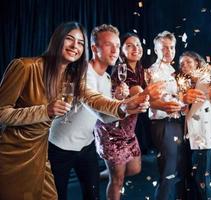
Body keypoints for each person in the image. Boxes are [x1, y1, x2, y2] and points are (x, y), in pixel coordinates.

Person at [0, 21, 158, 200]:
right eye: (69, 39)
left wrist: (125, 105)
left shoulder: (87, 77)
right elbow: (2, 113)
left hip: (73, 147)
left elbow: (96, 104)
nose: (75, 46)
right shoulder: (28, 67)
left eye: (79, 42)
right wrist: (45, 111)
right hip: (40, 149)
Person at [47, 24, 127, 200]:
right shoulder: (80, 73)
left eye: (118, 45)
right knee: (57, 196)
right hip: (60, 147)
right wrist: (129, 104)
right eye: (108, 44)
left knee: (93, 195)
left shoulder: (107, 79)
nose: (115, 50)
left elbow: (108, 118)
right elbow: (102, 114)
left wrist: (120, 102)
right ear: (93, 48)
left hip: (86, 146)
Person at [145, 31, 207, 200]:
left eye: (171, 47)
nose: (168, 51)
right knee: (168, 173)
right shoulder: (153, 71)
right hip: (163, 124)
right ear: (156, 50)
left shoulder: (173, 70)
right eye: (164, 48)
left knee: (179, 171)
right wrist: (182, 99)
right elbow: (157, 101)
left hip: (177, 124)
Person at [94, 32, 147, 200]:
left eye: (137, 44)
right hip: (112, 130)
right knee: (118, 180)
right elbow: (135, 94)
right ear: (122, 51)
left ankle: (106, 172)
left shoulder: (140, 70)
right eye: (129, 45)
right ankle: (111, 175)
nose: (135, 48)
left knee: (135, 169)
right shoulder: (120, 70)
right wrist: (140, 94)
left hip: (128, 131)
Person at [178, 51, 211, 199]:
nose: (185, 66)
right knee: (190, 177)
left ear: (197, 63)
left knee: (201, 178)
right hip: (188, 136)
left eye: (188, 62)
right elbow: (185, 112)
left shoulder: (206, 80)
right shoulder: (184, 84)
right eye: (182, 64)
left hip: (203, 136)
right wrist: (183, 107)